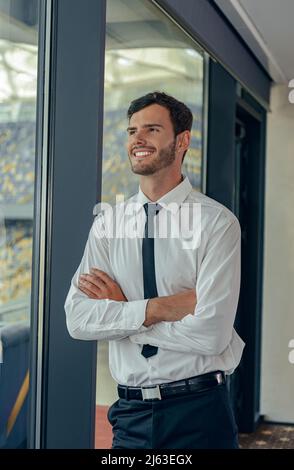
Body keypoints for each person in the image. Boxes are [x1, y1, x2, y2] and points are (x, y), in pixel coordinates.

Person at [64, 91, 245, 449]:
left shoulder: (217, 224)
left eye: (151, 129)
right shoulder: (108, 224)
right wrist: (159, 309)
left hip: (200, 413)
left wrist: (123, 311)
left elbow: (211, 335)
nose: (138, 139)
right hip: (130, 417)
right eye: (132, 131)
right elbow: (78, 319)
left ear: (182, 141)